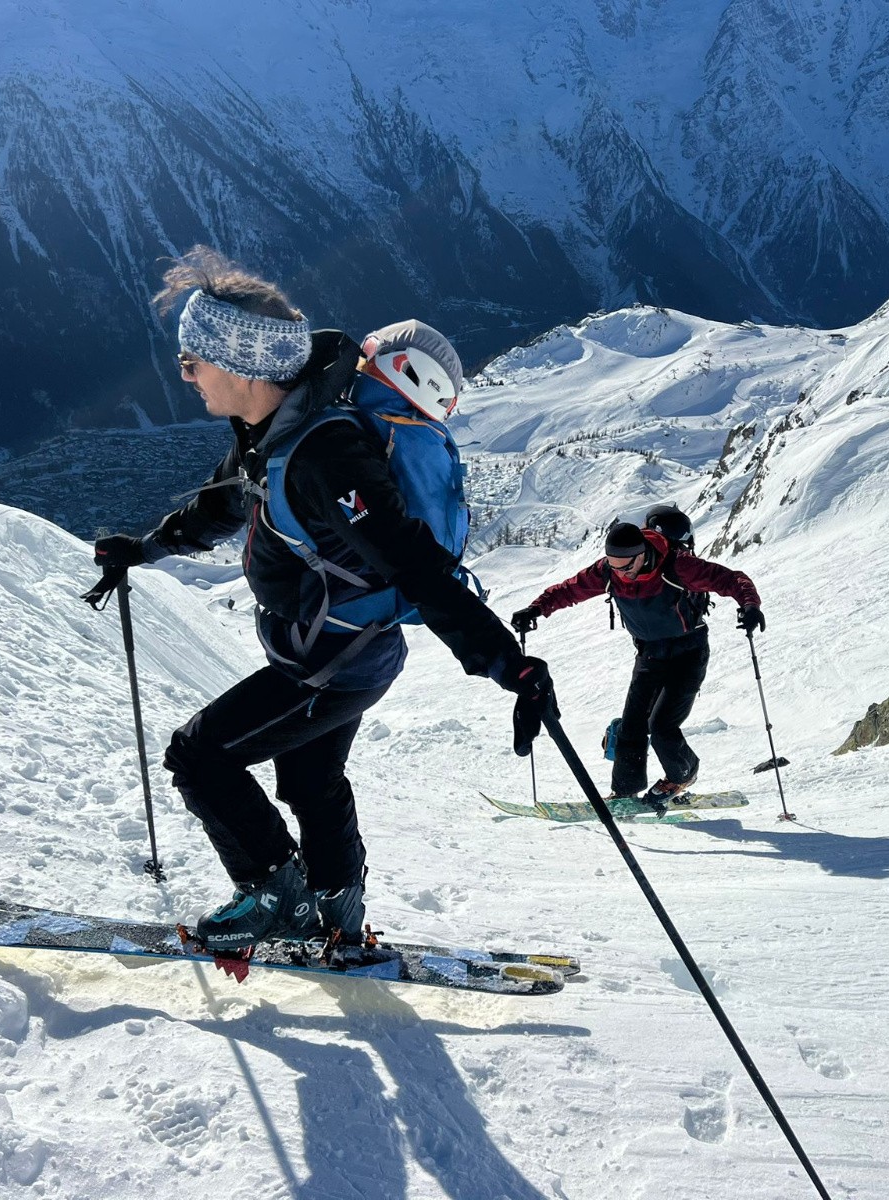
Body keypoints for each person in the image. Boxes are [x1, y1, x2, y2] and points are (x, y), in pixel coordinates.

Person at [85, 246, 555, 952]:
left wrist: (505, 662)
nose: (183, 372)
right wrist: (143, 549)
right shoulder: (268, 433)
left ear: (243, 366)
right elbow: (220, 506)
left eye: (194, 358)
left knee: (199, 756)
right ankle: (339, 906)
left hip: (335, 659)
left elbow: (415, 564)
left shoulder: (322, 457)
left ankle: (277, 895)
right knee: (309, 777)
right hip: (351, 648)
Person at [511, 508, 762, 803]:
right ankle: (625, 792)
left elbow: (731, 579)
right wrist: (537, 608)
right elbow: (569, 590)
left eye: (625, 566)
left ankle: (682, 774)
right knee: (631, 727)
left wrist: (750, 605)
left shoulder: (678, 565)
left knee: (662, 726)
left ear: (641, 553)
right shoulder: (609, 571)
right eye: (614, 566)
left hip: (688, 653)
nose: (620, 573)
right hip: (649, 654)